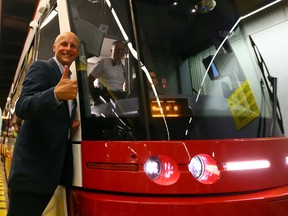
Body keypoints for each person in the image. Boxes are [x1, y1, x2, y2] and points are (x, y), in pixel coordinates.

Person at [7, 31, 80, 216]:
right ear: (54, 47)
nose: (68, 48)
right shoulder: (42, 68)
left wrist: (68, 124)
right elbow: (22, 107)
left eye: (73, 46)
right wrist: (54, 94)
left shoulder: (69, 81)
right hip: (31, 173)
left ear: (77, 52)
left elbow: (52, 116)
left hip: (48, 175)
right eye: (63, 44)